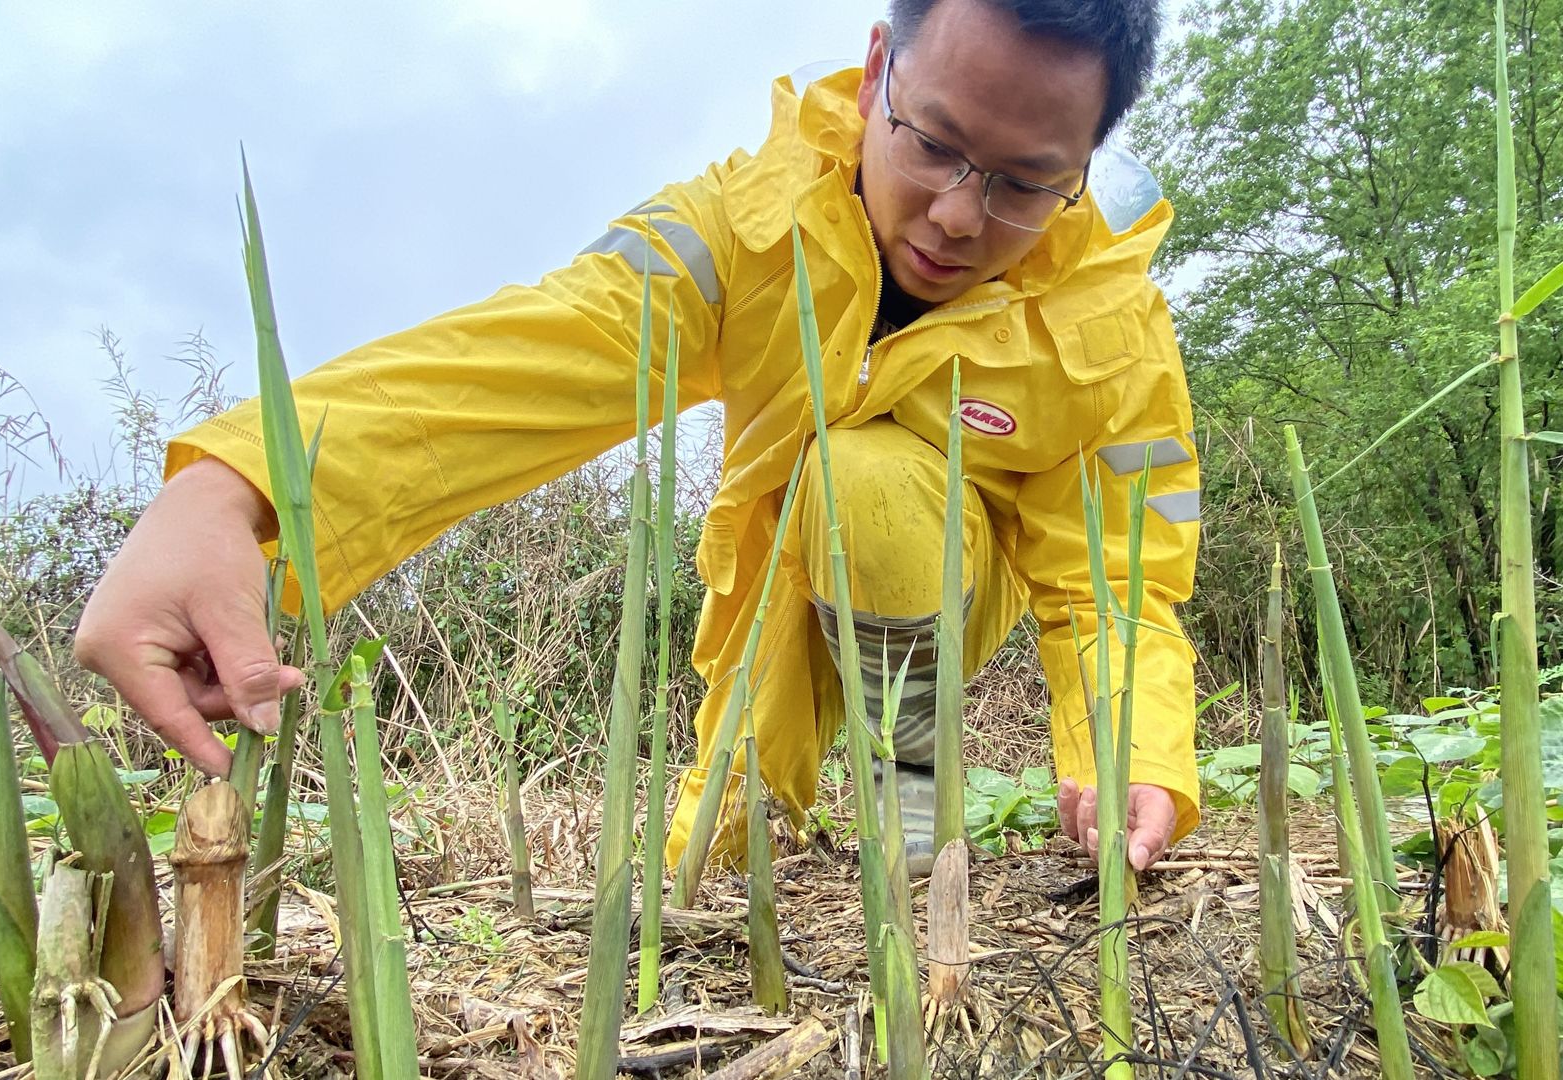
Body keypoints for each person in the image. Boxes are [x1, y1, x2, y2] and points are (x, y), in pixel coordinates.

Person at [75, 0, 1201, 878]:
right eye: (934, 145)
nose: (958, 215)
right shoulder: (738, 227)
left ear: (1086, 166)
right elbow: (530, 356)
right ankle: (776, 804)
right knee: (710, 859)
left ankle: (909, 768)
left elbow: (1113, 581)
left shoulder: (1109, 330)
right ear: (874, 76)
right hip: (776, 578)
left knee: (868, 472)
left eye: (1022, 185)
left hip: (953, 589)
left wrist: (1132, 752)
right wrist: (238, 485)